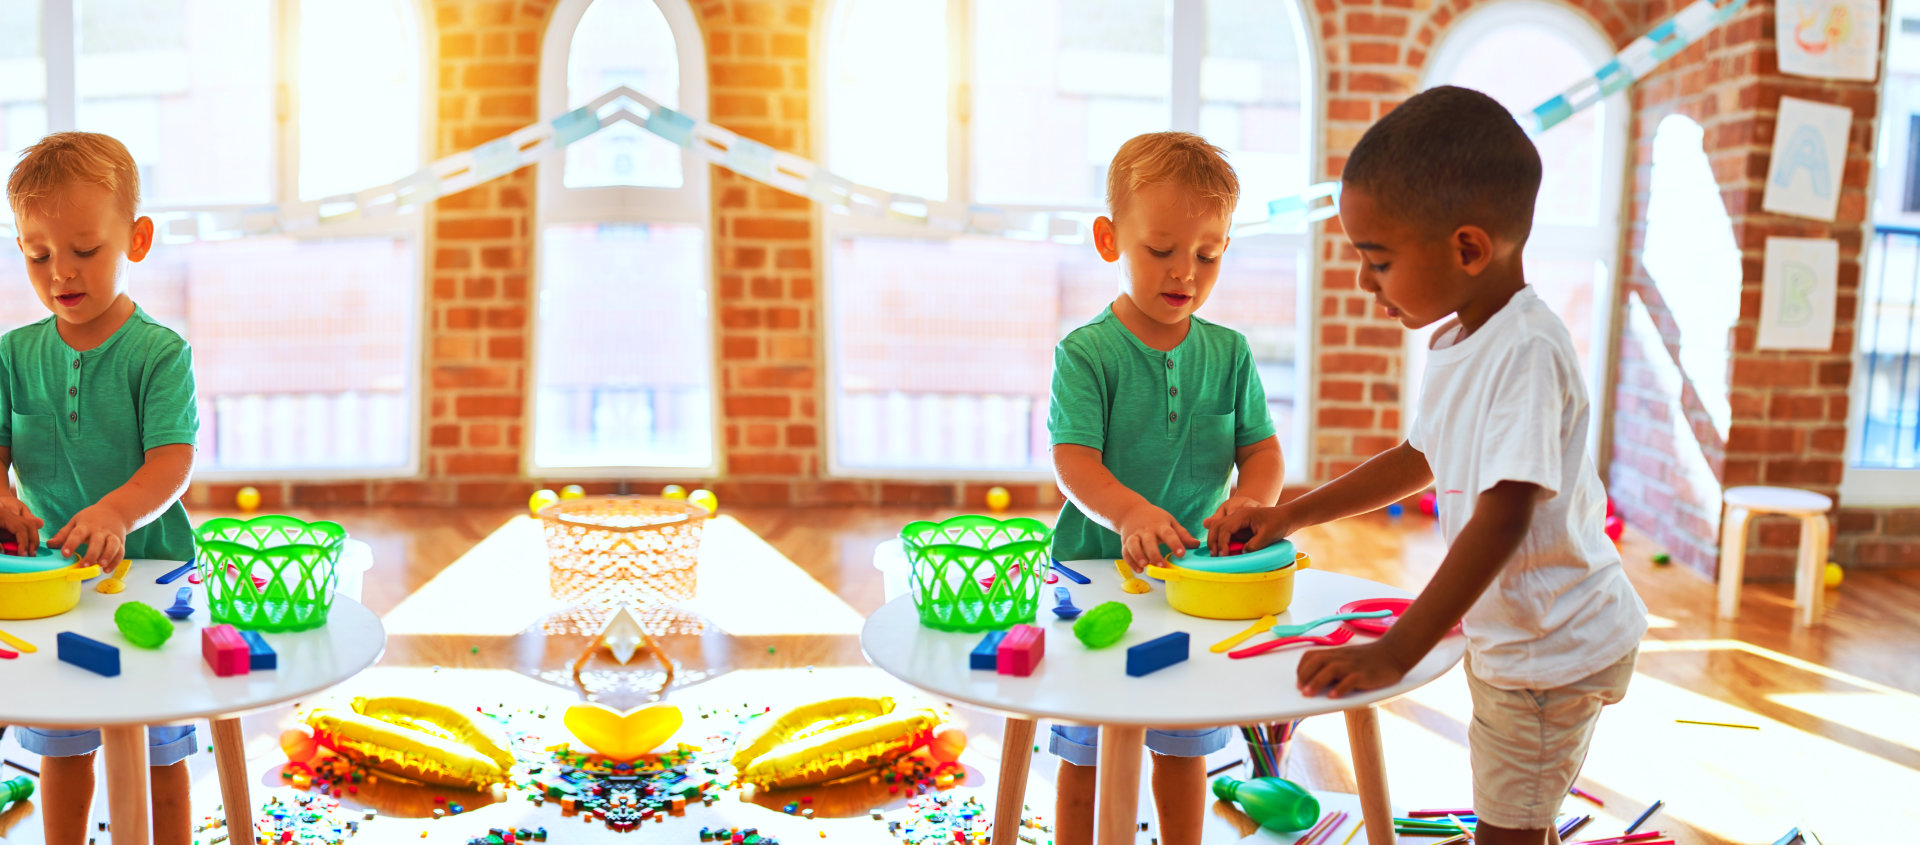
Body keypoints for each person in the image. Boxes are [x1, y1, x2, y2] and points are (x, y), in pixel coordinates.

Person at [1208, 86, 1647, 845]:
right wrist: (1290, 514)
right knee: (1522, 817)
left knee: (1509, 830)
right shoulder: (1461, 338)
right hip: (1520, 637)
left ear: (1468, 249)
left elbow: (1503, 518)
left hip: (1550, 649)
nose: (1363, 280)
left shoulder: (1527, 350)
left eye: (1377, 260)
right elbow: (1419, 457)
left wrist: (1397, 649)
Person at [1048, 131, 1285, 845]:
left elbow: (1261, 450)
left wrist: (1253, 499)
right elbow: (1073, 461)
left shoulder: (1230, 353)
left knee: (1183, 745)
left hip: (1193, 584)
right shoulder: (1086, 352)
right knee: (1088, 750)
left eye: (1208, 255)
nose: (1185, 271)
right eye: (1160, 250)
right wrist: (1129, 512)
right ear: (1109, 240)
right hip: (1095, 575)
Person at [5, 131, 202, 845]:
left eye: (85, 249)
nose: (61, 271)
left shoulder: (159, 353)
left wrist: (117, 511)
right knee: (63, 745)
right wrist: (3, 498)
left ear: (136, 240)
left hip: (150, 576)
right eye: (38, 255)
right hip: (55, 582)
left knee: (158, 751)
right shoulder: (13, 354)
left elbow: (172, 461)